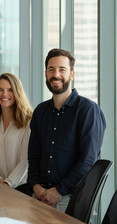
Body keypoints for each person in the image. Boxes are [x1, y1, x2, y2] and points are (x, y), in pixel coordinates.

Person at [27, 48, 106, 212]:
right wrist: (36, 186)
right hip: (39, 195)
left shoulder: (88, 111)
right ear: (45, 74)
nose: (56, 75)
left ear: (72, 74)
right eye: (51, 69)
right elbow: (33, 155)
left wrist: (58, 191)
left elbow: (87, 160)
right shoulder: (40, 112)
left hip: (71, 197)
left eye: (62, 69)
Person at [0, 73, 32, 190]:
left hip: (23, 187)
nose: (4, 94)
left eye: (10, 90)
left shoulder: (29, 121)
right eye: (0, 90)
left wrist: (8, 183)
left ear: (17, 92)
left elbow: (25, 161)